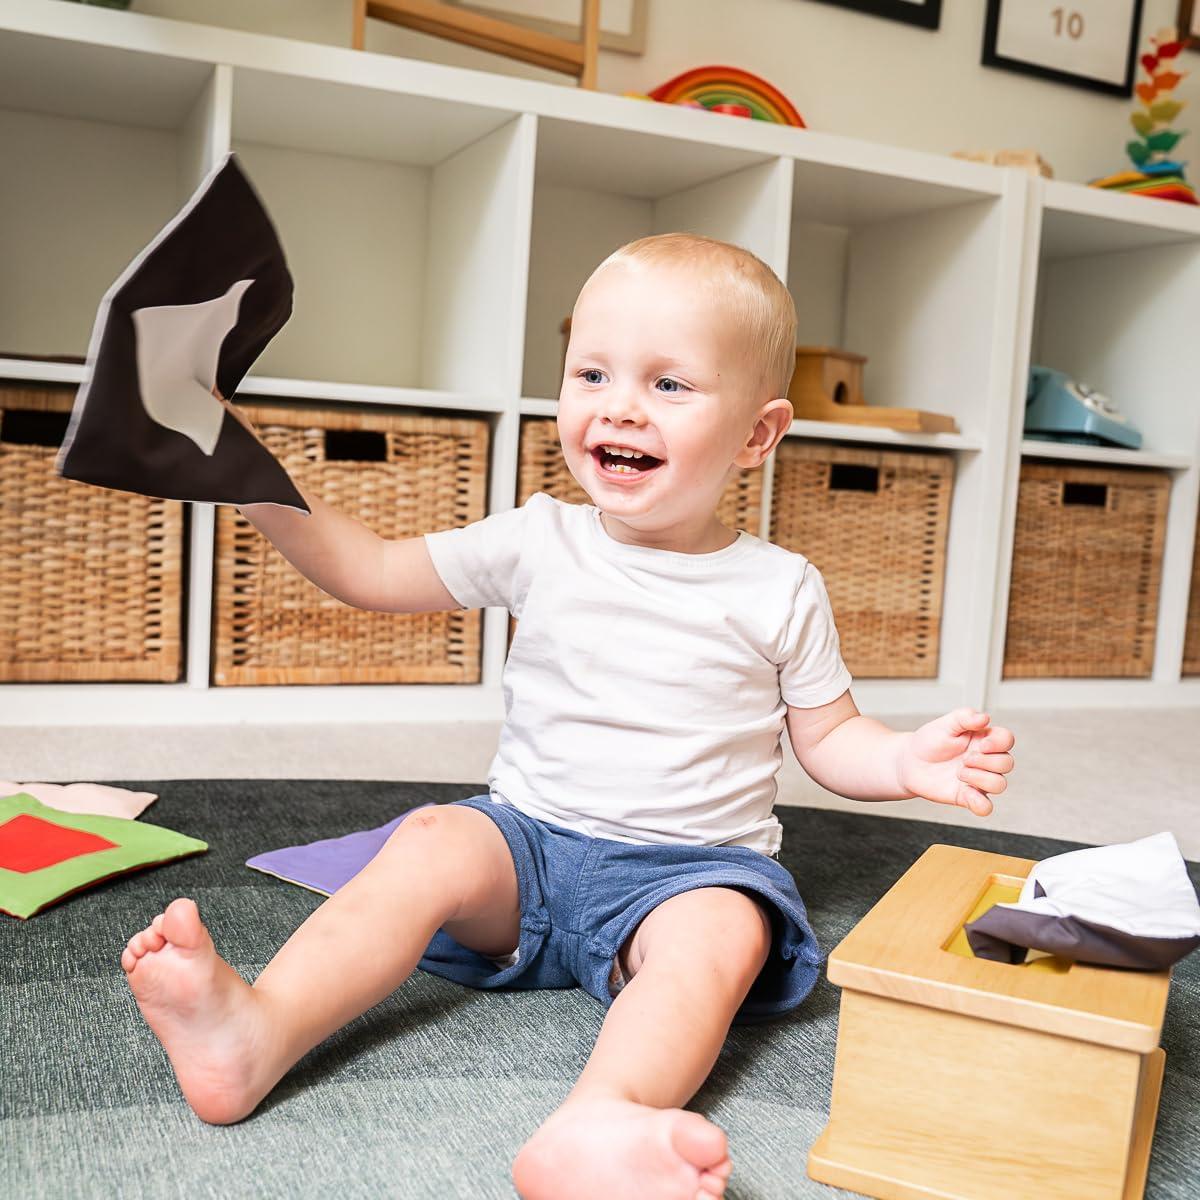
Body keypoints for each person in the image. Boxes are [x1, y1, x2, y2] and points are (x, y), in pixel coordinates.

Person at [120, 232, 1016, 1200]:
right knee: (430, 839)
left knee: (723, 934)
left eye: (669, 384)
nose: (619, 406)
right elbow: (370, 570)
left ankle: (599, 1120)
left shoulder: (780, 587)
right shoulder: (538, 538)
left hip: (684, 872)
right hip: (528, 846)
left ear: (758, 436)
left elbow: (831, 738)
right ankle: (255, 1031)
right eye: (592, 373)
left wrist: (906, 761)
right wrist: (240, 467)